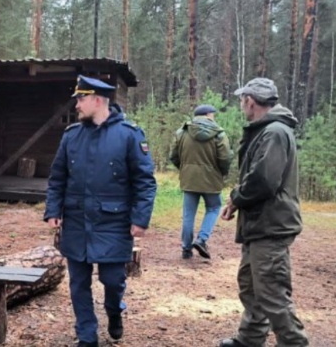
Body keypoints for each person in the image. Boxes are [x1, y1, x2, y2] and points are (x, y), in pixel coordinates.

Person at [44, 75, 157, 347]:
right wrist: (53, 209)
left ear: (97, 100)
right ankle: (87, 336)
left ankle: (115, 312)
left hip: (113, 222)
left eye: (81, 99)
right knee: (78, 284)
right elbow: (57, 177)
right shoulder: (72, 135)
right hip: (76, 222)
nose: (77, 105)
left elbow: (145, 181)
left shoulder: (129, 135)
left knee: (112, 279)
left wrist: (140, 219)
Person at [219, 78, 309, 347]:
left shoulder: (275, 132)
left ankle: (294, 343)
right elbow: (257, 177)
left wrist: (237, 197)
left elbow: (263, 181)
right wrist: (237, 201)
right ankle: (250, 339)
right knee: (251, 287)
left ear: (250, 101)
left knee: (272, 294)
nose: (241, 105)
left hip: (271, 225)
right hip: (259, 224)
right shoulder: (266, 131)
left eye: (241, 100)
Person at [169, 104, 232, 260]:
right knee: (214, 207)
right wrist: (222, 173)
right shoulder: (219, 134)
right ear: (209, 114)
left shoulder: (182, 132)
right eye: (213, 114)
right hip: (212, 180)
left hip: (189, 179)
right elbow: (225, 158)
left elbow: (173, 156)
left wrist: (184, 168)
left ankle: (186, 249)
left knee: (188, 214)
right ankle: (202, 239)